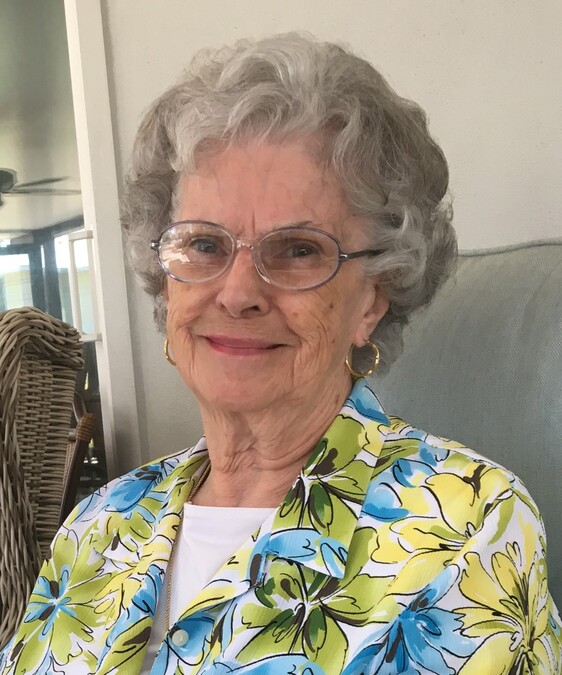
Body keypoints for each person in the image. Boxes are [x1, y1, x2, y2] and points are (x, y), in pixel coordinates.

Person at [1, 33, 560, 675]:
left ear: (373, 299)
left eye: (298, 250)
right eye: (204, 245)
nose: (238, 293)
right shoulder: (99, 524)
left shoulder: (466, 524)